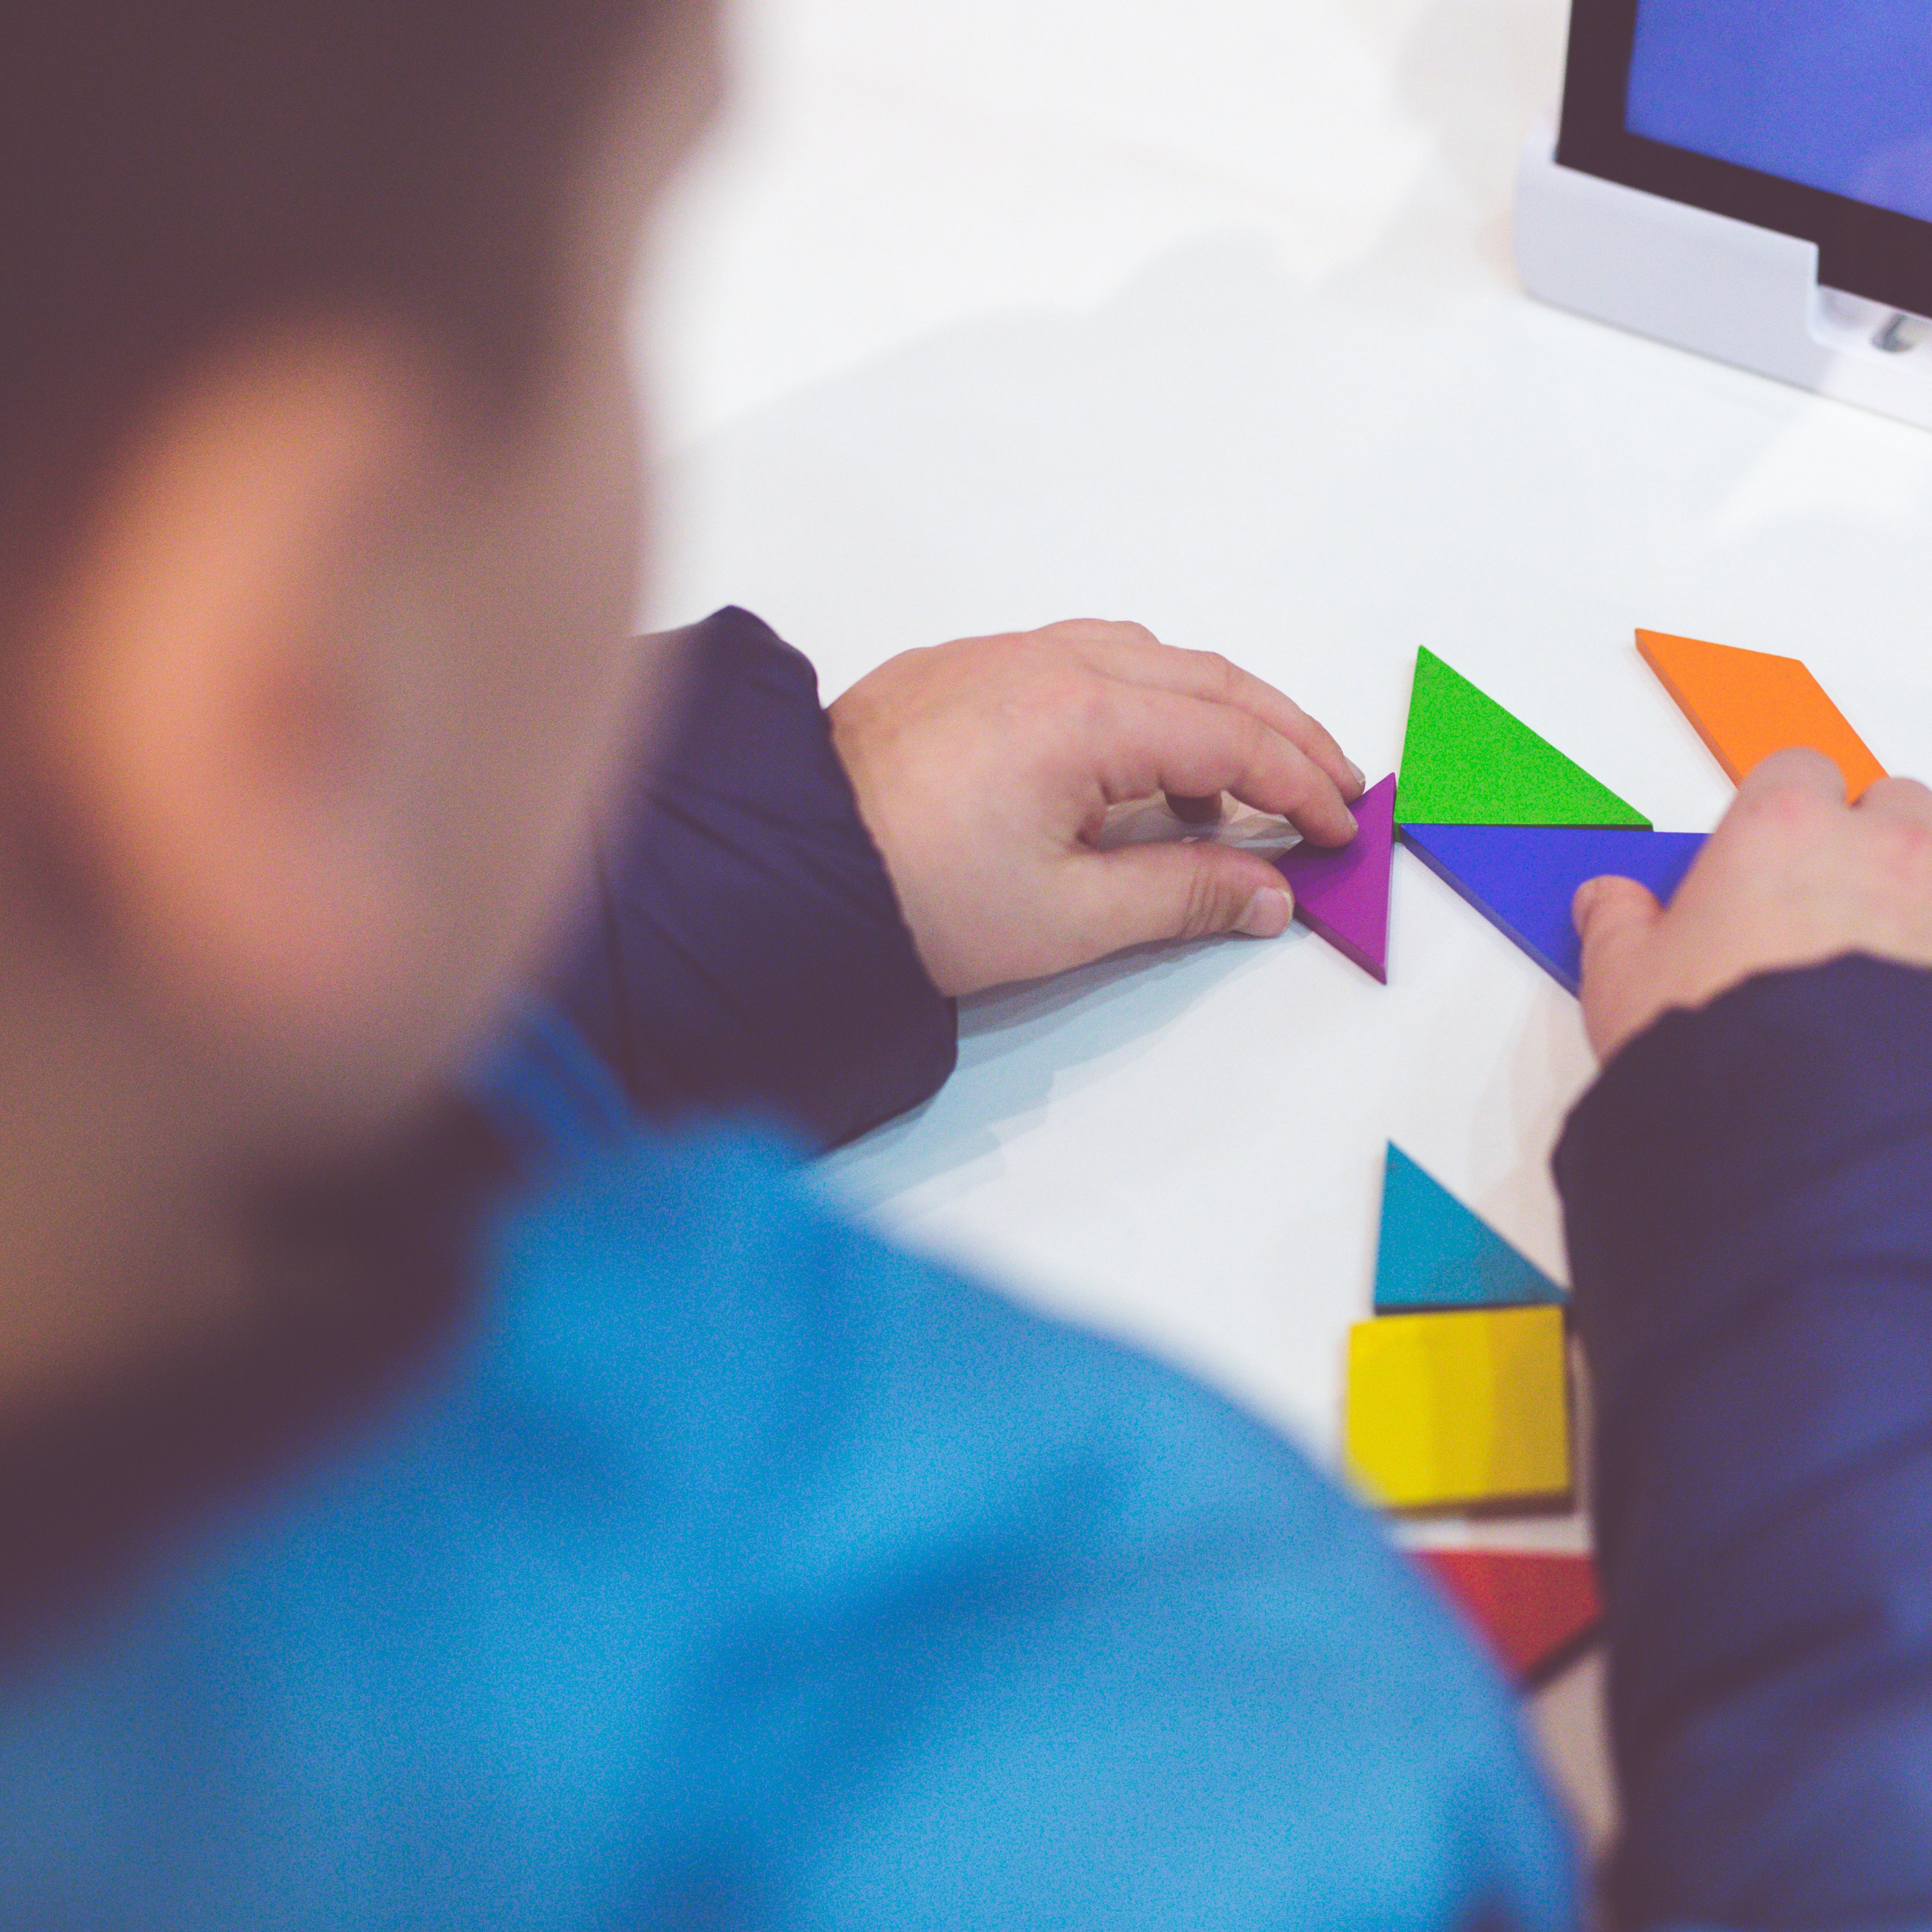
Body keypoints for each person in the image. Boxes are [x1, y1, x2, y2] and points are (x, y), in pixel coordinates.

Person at [6, 4, 1932, 1930]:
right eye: (626, 295)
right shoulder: (1096, 1748)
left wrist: (764, 852)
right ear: (281, 696)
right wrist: (1825, 1225)